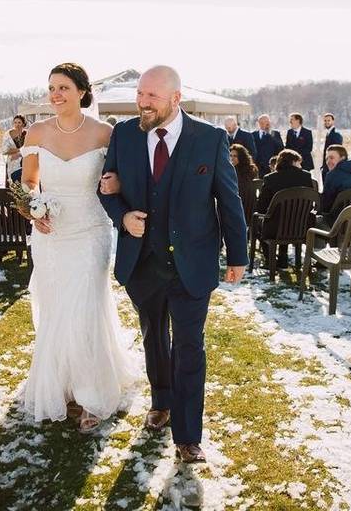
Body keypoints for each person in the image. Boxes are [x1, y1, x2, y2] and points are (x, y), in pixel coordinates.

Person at [99, 65, 248, 464]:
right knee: (153, 338)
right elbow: (107, 188)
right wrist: (122, 216)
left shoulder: (210, 139)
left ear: (175, 98)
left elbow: (228, 201)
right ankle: (161, 401)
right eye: (141, 95)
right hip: (142, 263)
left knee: (189, 346)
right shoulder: (125, 135)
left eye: (152, 97)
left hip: (192, 263)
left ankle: (187, 435)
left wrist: (238, 255)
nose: (143, 103)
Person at [19, 62, 138, 434]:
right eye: (51, 87)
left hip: (89, 233)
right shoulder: (36, 131)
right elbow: (28, 181)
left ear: (83, 92)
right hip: (51, 234)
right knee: (57, 310)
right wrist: (32, 210)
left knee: (85, 309)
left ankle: (91, 394)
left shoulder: (106, 133)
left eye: (63, 88)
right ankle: (62, 384)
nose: (55, 95)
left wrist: (116, 182)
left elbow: (121, 177)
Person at [256, 148, 313, 268]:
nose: (301, 165)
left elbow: (261, 207)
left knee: (263, 221)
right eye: (299, 162)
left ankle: (269, 259)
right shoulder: (306, 177)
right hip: (301, 227)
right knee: (289, 217)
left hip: (275, 229)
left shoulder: (270, 178)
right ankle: (283, 256)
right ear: (293, 162)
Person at [321, 145, 351, 215]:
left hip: (337, 222)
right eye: (326, 159)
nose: (328, 162)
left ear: (342, 158)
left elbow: (325, 205)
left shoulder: (332, 175)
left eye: (331, 158)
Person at [230, 143, 258, 224]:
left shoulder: (234, 171)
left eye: (235, 156)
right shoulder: (251, 169)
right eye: (230, 155)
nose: (232, 158)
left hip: (242, 207)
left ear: (241, 157)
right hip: (249, 208)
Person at [1, 114, 28, 184]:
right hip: (12, 162)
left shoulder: (27, 134)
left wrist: (20, 152)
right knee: (12, 183)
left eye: (19, 122)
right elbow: (4, 151)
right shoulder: (8, 134)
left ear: (23, 123)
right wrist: (20, 149)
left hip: (25, 162)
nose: (17, 125)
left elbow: (31, 148)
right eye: (15, 122)